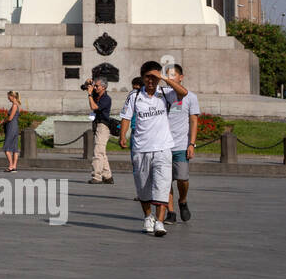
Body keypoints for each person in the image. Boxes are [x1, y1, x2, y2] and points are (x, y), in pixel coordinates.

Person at [118, 60, 190, 237]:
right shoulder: (134, 96)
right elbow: (126, 117)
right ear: (142, 77)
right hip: (141, 148)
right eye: (148, 77)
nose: (151, 80)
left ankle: (159, 222)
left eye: (154, 77)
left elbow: (183, 93)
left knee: (162, 185)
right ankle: (148, 216)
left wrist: (164, 78)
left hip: (163, 148)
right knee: (143, 187)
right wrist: (123, 135)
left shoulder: (164, 93)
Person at [163, 64, 200, 223]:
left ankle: (182, 200)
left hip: (181, 144)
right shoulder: (163, 94)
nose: (168, 78)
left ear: (181, 77)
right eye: (167, 75)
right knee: (166, 181)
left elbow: (193, 121)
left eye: (172, 75)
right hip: (164, 145)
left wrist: (191, 144)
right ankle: (170, 212)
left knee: (182, 179)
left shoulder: (190, 97)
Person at [85, 78, 115, 184]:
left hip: (103, 126)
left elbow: (94, 107)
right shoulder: (97, 95)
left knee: (98, 152)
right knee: (101, 152)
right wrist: (88, 83)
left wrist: (89, 95)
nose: (95, 88)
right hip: (97, 125)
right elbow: (83, 87)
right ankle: (107, 176)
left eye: (97, 86)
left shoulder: (106, 98)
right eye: (95, 86)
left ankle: (97, 176)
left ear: (104, 87)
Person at [2, 91, 21, 172]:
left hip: (11, 127)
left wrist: (3, 121)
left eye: (8, 96)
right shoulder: (17, 104)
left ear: (12, 96)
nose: (8, 98)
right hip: (14, 126)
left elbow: (10, 118)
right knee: (14, 147)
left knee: (6, 147)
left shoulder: (14, 105)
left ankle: (11, 165)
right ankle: (14, 166)